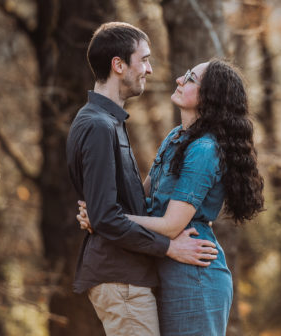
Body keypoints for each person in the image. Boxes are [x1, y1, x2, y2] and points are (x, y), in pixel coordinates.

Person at [79, 58, 265, 335]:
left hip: (196, 275)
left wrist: (106, 218)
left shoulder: (205, 149)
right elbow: (142, 203)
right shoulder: (176, 137)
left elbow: (171, 225)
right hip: (167, 268)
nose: (180, 79)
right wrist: (101, 212)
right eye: (185, 73)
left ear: (210, 96)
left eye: (191, 79)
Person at [67, 22, 218, 336]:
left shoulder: (109, 122)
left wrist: (99, 215)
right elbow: (108, 216)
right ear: (119, 65)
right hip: (120, 278)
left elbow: (109, 211)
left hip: (129, 275)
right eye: (144, 59)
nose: (149, 69)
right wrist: (168, 247)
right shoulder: (98, 126)